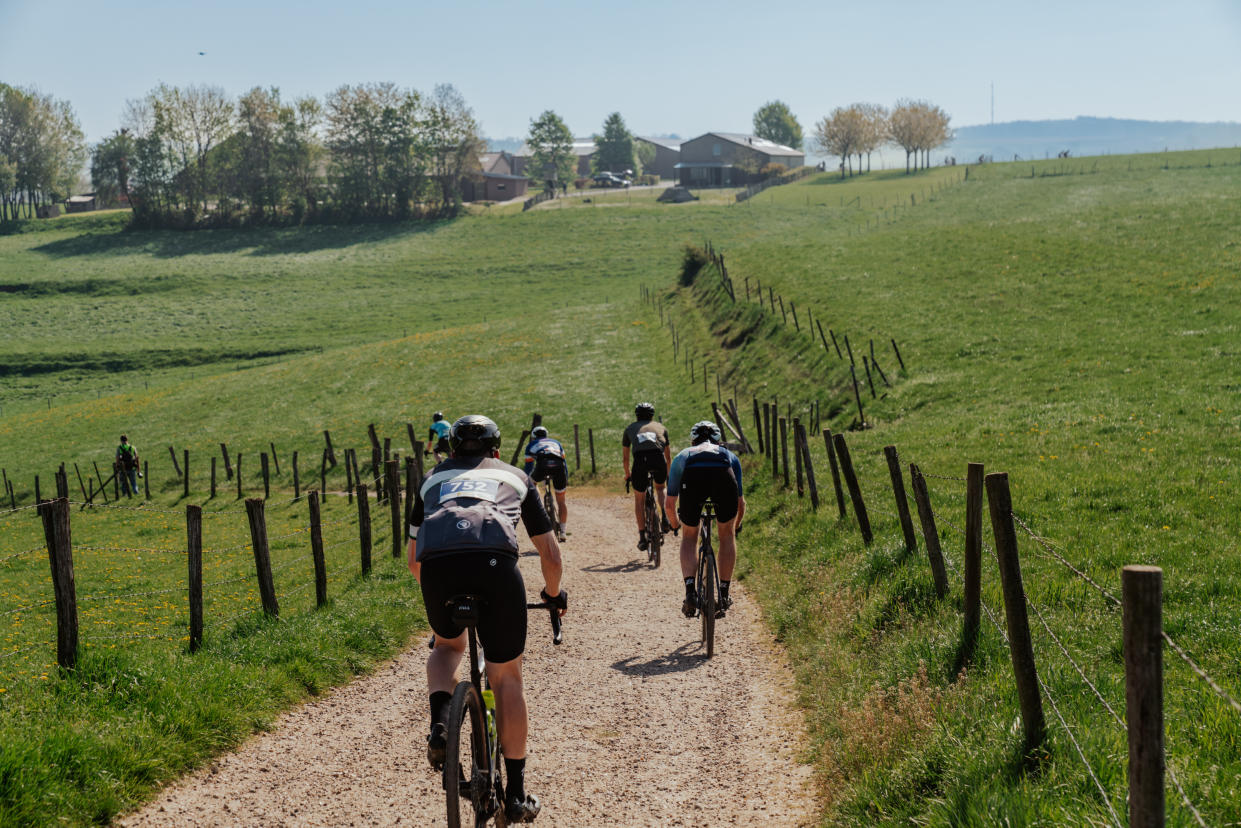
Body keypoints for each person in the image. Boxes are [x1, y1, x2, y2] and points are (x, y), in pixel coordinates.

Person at [407, 414, 566, 823]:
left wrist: (441, 594)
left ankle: (441, 725)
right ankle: (515, 794)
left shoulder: (430, 480)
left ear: (453, 449)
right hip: (496, 567)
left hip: (440, 569)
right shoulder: (515, 477)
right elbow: (549, 553)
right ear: (496, 450)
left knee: (446, 648)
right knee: (506, 676)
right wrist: (552, 594)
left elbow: (413, 559)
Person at [664, 421, 746, 619]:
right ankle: (724, 593)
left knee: (689, 537)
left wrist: (675, 524)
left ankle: (690, 591)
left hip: (693, 482)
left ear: (693, 439)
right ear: (718, 439)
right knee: (726, 536)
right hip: (723, 480)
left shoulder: (684, 455)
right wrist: (734, 526)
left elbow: (669, 503)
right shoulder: (729, 455)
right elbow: (740, 502)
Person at [621, 402, 671, 552]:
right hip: (658, 459)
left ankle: (642, 537)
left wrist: (628, 474)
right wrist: (667, 474)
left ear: (637, 415)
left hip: (640, 461)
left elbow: (625, 458)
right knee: (661, 488)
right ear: (652, 415)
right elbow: (668, 457)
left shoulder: (630, 428)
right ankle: (665, 517)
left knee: (639, 499)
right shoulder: (661, 428)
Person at [524, 426, 568, 541]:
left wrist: (528, 482)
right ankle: (563, 532)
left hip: (542, 465)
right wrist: (565, 477)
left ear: (533, 437)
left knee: (532, 482)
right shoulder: (556, 443)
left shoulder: (530, 446)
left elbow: (528, 468)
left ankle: (537, 501)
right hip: (559, 467)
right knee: (561, 501)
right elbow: (564, 462)